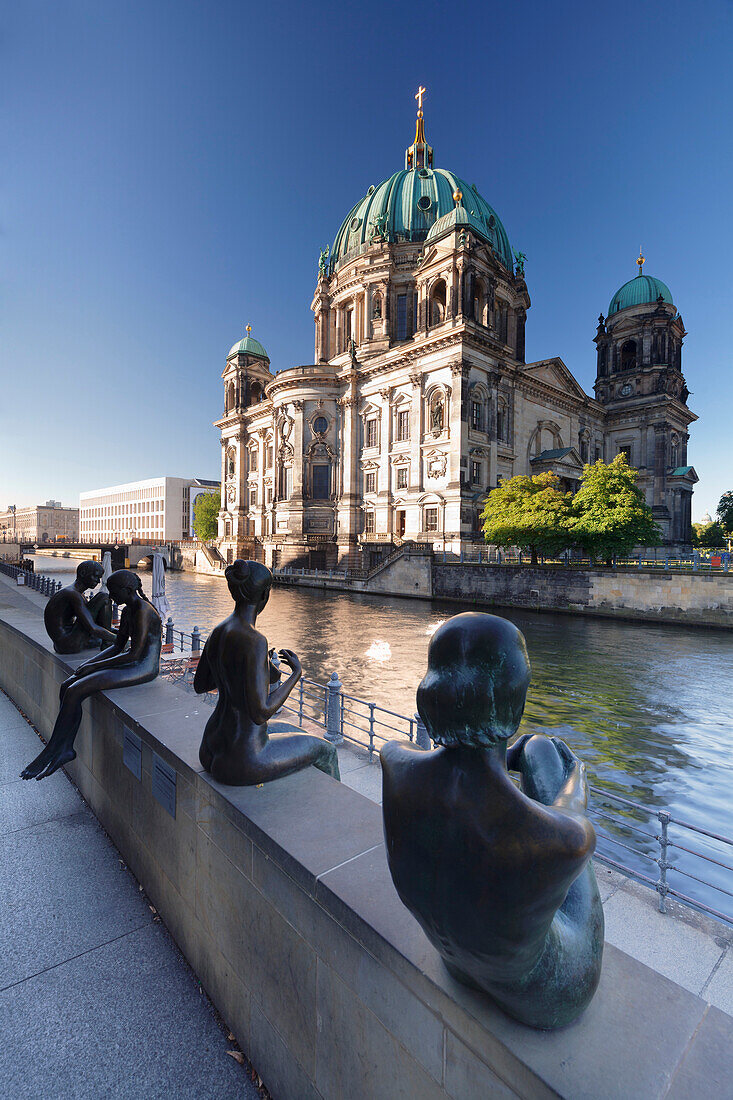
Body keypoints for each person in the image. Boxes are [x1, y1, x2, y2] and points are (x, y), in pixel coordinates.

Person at [381, 612, 603, 1030]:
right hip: (544, 996)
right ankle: (534, 749)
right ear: (515, 702)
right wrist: (576, 784)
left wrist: (502, 755)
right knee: (545, 753)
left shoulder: (394, 765)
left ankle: (524, 749)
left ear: (431, 695)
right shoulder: (565, 839)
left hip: (458, 964)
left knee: (534, 752)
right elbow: (573, 821)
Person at [194, 558, 340, 785]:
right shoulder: (255, 641)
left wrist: (264, 670)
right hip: (244, 758)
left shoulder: (219, 630)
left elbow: (201, 685)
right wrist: (295, 674)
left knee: (292, 729)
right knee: (326, 750)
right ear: (265, 596)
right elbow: (260, 713)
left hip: (211, 745)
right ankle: (334, 813)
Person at [21, 569, 161, 781]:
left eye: (114, 591)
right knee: (67, 685)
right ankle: (61, 746)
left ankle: (58, 749)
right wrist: (89, 663)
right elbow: (117, 647)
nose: (110, 596)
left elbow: (134, 655)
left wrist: (94, 667)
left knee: (77, 689)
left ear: (128, 590)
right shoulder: (127, 611)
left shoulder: (143, 610)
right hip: (133, 662)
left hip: (144, 667)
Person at [43, 559, 116, 654]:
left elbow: (96, 623)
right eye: (95, 576)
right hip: (69, 643)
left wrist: (119, 633)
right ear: (82, 573)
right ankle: (108, 644)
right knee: (104, 597)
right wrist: (117, 639)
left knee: (101, 637)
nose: (98, 581)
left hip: (61, 644)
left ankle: (108, 641)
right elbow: (92, 627)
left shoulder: (74, 593)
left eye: (100, 578)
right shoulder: (73, 595)